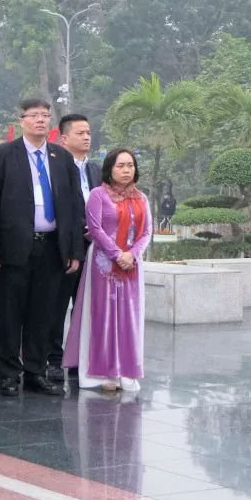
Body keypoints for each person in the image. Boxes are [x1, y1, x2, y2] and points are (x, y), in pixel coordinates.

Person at [0, 99, 84, 397]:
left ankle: (35, 371)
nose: (40, 120)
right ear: (22, 120)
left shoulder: (61, 157)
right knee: (10, 314)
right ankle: (8, 374)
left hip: (52, 247)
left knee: (43, 314)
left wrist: (74, 249)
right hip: (15, 248)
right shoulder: (2, 155)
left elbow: (74, 206)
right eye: (34, 116)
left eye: (45, 115)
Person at [64, 149, 150, 393]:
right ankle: (101, 372)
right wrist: (117, 255)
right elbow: (96, 228)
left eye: (130, 165)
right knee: (102, 315)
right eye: (120, 165)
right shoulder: (98, 195)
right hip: (103, 264)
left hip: (131, 265)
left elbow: (146, 232)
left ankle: (126, 371)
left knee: (128, 317)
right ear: (109, 169)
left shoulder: (141, 198)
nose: (126, 170)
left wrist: (131, 255)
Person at [51, 114, 101, 381]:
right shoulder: (55, 168)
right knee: (58, 305)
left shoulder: (94, 169)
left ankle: (81, 357)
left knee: (86, 305)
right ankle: (55, 358)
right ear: (64, 138)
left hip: (94, 247)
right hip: (66, 246)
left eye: (88, 132)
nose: (86, 137)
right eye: (80, 133)